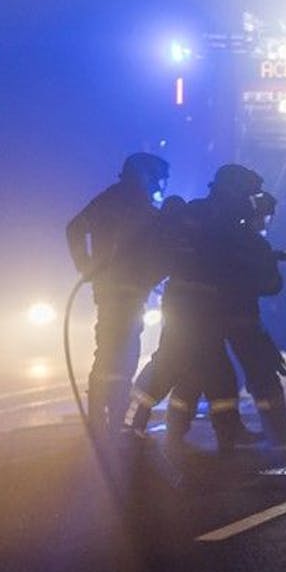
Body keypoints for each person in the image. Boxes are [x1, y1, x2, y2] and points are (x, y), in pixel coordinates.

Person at [135, 164, 262, 453]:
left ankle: (168, 428)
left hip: (195, 303)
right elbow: (224, 255)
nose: (248, 202)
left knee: (197, 369)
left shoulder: (208, 214)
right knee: (182, 365)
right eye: (246, 195)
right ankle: (140, 423)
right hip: (193, 305)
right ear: (232, 192)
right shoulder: (214, 217)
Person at [66, 152, 169, 436]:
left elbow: (75, 228)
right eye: (157, 180)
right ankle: (108, 418)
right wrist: (86, 266)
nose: (158, 186)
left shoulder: (113, 200)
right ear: (145, 176)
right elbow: (75, 228)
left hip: (118, 290)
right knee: (119, 354)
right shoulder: (131, 206)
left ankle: (104, 416)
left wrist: (85, 266)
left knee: (112, 352)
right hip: (121, 292)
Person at [223, 190, 286, 448]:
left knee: (208, 376)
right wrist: (270, 263)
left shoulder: (225, 235)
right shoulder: (255, 243)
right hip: (243, 318)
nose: (267, 222)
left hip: (211, 318)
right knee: (264, 375)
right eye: (266, 216)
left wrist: (272, 256)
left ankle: (225, 433)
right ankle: (278, 434)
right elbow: (271, 285)